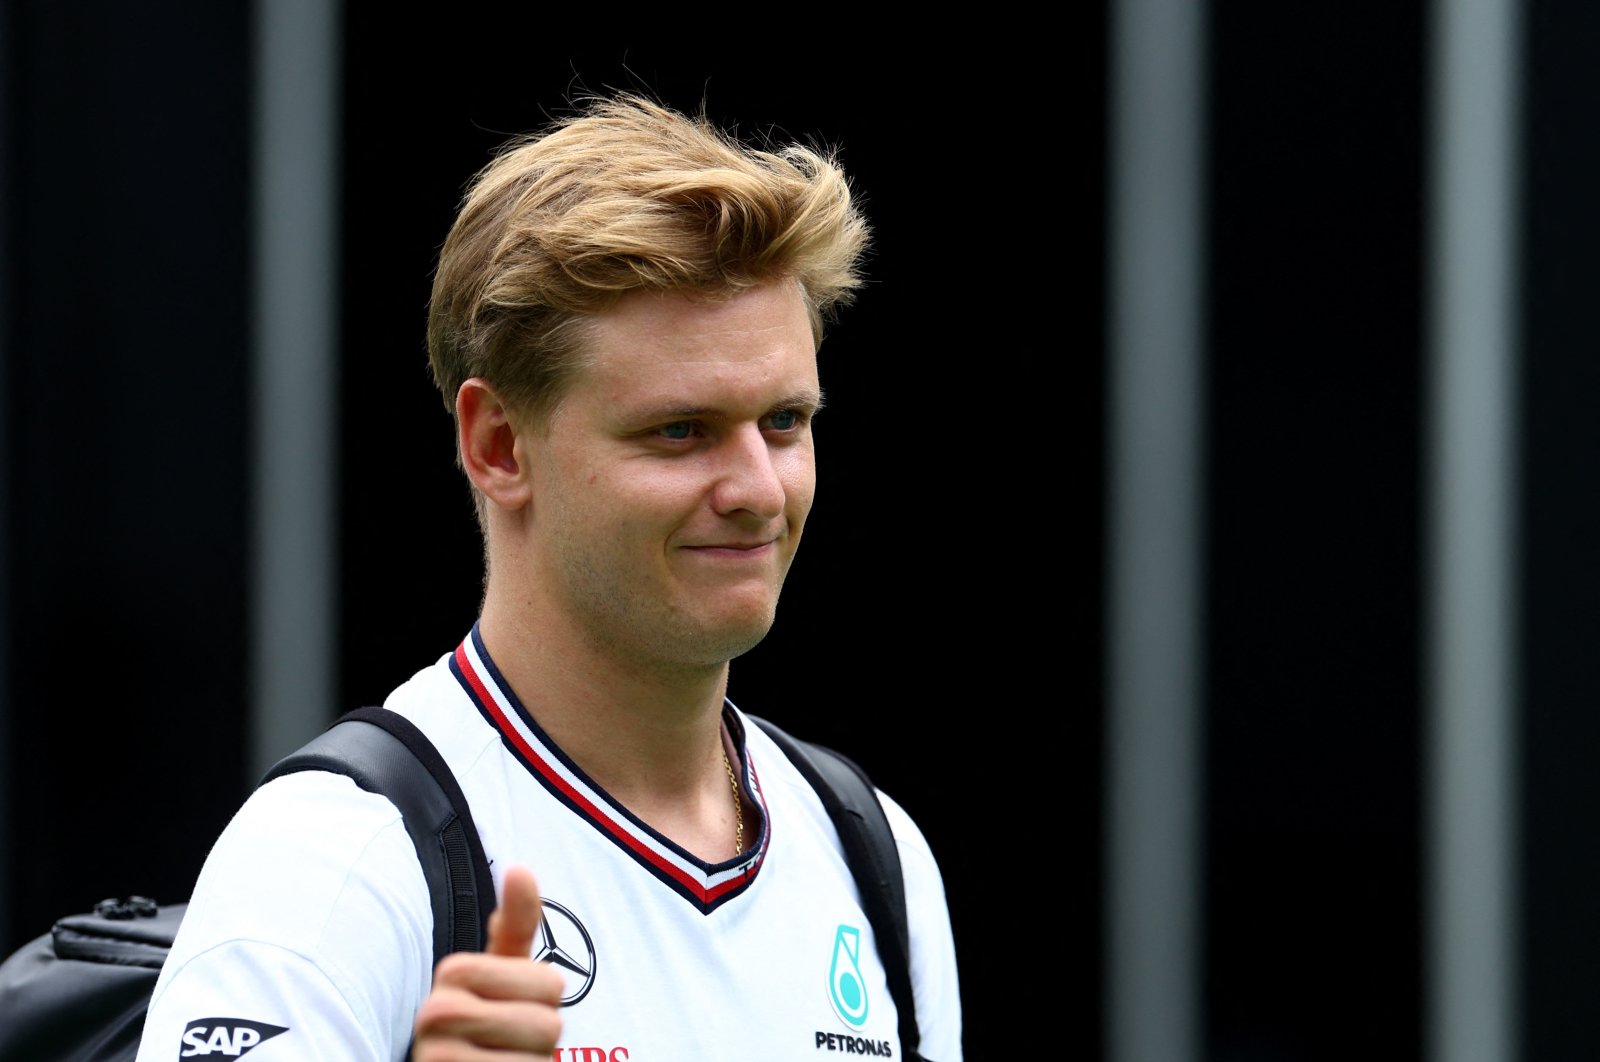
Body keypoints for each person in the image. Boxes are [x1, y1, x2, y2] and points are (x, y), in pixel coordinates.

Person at [136, 91, 962, 1061]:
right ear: (497, 445)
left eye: (784, 422)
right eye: (680, 431)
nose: (756, 489)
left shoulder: (872, 857)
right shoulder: (331, 865)